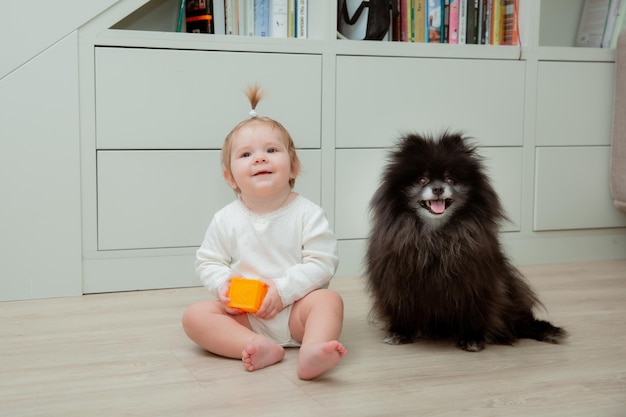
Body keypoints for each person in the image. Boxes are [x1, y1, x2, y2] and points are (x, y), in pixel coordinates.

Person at [182, 85, 347, 380]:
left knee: (329, 301)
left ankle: (312, 349)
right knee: (195, 316)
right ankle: (255, 344)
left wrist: (282, 292)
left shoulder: (308, 213)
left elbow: (323, 263)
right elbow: (207, 262)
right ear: (230, 177)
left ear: (293, 166)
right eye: (246, 154)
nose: (260, 158)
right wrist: (224, 285)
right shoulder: (225, 219)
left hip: (297, 309)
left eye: (271, 150)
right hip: (246, 315)